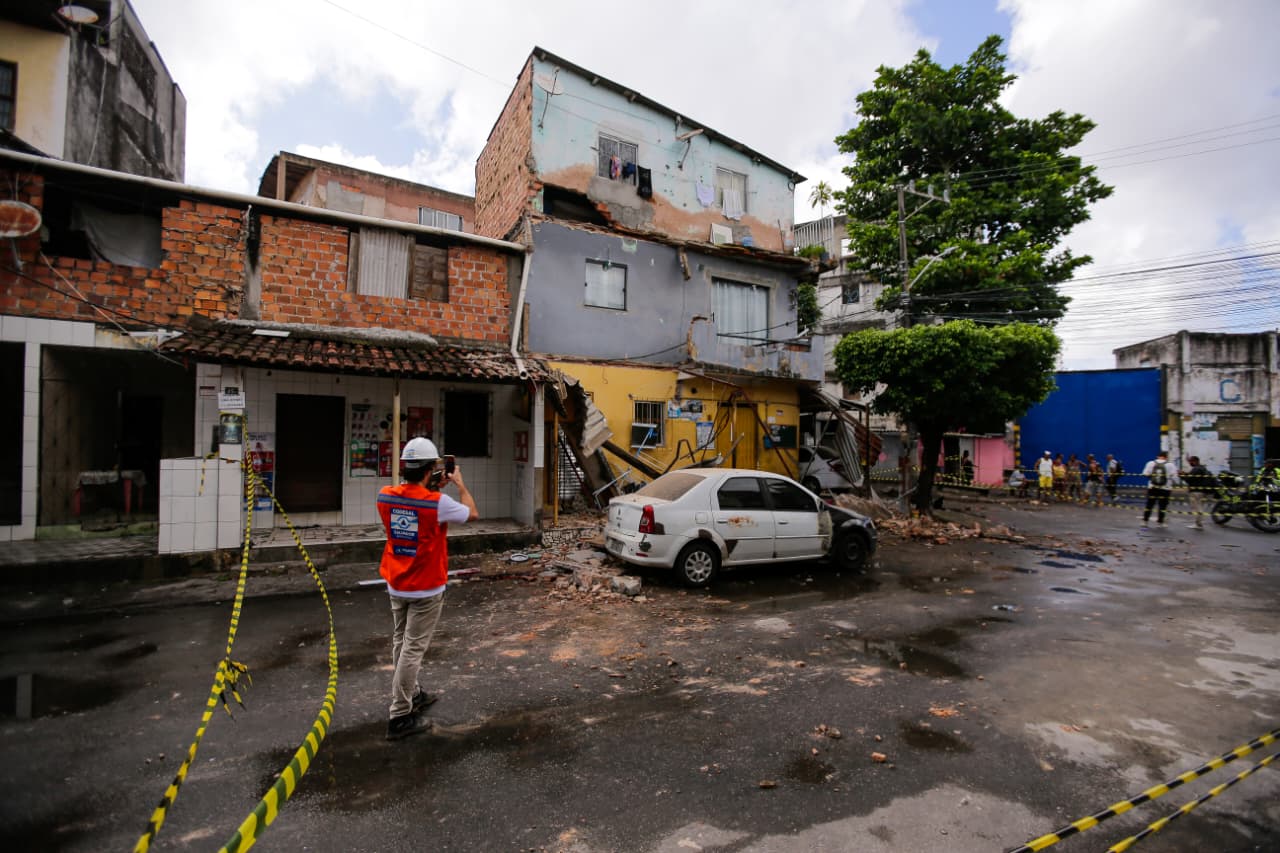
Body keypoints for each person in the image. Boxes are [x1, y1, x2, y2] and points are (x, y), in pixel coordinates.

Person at [376, 437, 478, 740]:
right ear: (429, 470)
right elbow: (471, 513)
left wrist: (431, 488)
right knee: (413, 649)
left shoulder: (385, 496)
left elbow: (412, 502)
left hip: (396, 581)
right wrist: (459, 484)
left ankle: (413, 693)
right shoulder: (437, 503)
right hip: (426, 587)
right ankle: (400, 714)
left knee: (401, 640)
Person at [1140, 450, 1177, 527]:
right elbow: (1174, 477)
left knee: (1149, 505)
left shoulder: (1150, 463)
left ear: (1157, 456)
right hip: (1165, 488)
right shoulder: (1170, 465)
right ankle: (1160, 522)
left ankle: (1145, 521)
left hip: (1152, 487)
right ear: (1166, 457)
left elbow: (1145, 474)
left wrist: (1152, 478)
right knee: (1162, 506)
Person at [1181, 455, 1215, 529]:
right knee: (1200, 506)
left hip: (1196, 491)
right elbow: (1194, 477)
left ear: (1195, 461)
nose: (1190, 463)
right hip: (1202, 491)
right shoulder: (1202, 468)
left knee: (1196, 508)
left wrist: (1182, 476)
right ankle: (1199, 523)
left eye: (1190, 461)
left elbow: (1189, 479)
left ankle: (1198, 524)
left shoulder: (1196, 469)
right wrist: (1185, 474)